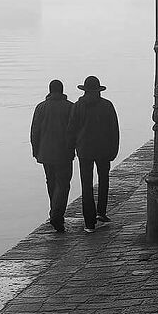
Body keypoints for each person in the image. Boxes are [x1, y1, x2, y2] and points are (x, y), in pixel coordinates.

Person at [70, 75, 119, 233]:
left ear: (84, 90)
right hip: (104, 149)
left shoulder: (77, 106)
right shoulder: (107, 106)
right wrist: (114, 150)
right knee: (104, 180)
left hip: (84, 150)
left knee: (86, 185)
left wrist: (73, 147)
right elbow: (114, 130)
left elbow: (71, 130)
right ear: (99, 90)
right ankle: (101, 212)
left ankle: (89, 223)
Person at [30, 79, 75, 233]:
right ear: (62, 91)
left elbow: (35, 131)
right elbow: (73, 131)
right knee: (63, 184)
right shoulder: (70, 107)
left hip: (45, 153)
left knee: (51, 183)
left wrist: (36, 150)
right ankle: (56, 215)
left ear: (49, 91)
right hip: (64, 153)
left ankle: (55, 213)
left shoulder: (40, 107)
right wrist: (73, 148)